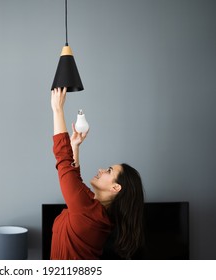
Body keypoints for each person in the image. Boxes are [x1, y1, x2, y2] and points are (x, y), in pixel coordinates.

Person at [50, 87, 145, 260]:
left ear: (116, 187)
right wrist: (75, 146)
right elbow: (74, 177)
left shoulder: (88, 213)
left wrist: (58, 110)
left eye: (109, 171)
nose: (101, 170)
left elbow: (64, 163)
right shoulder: (95, 211)